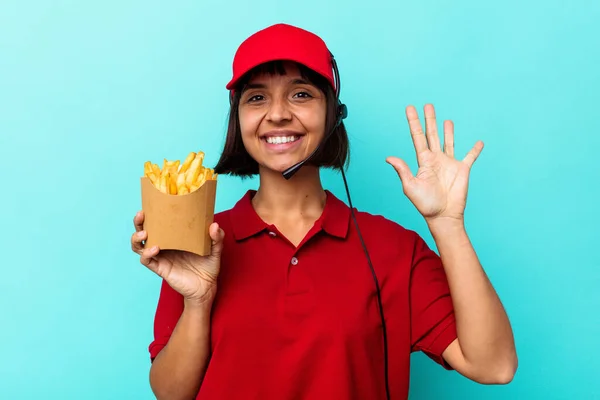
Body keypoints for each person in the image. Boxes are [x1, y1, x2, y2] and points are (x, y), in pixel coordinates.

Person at [130, 23, 517, 400]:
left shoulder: (394, 249)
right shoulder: (203, 241)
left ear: (334, 114)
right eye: (257, 97)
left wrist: (446, 224)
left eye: (300, 94)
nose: (278, 114)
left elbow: (494, 366)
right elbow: (170, 393)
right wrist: (198, 302)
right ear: (238, 119)